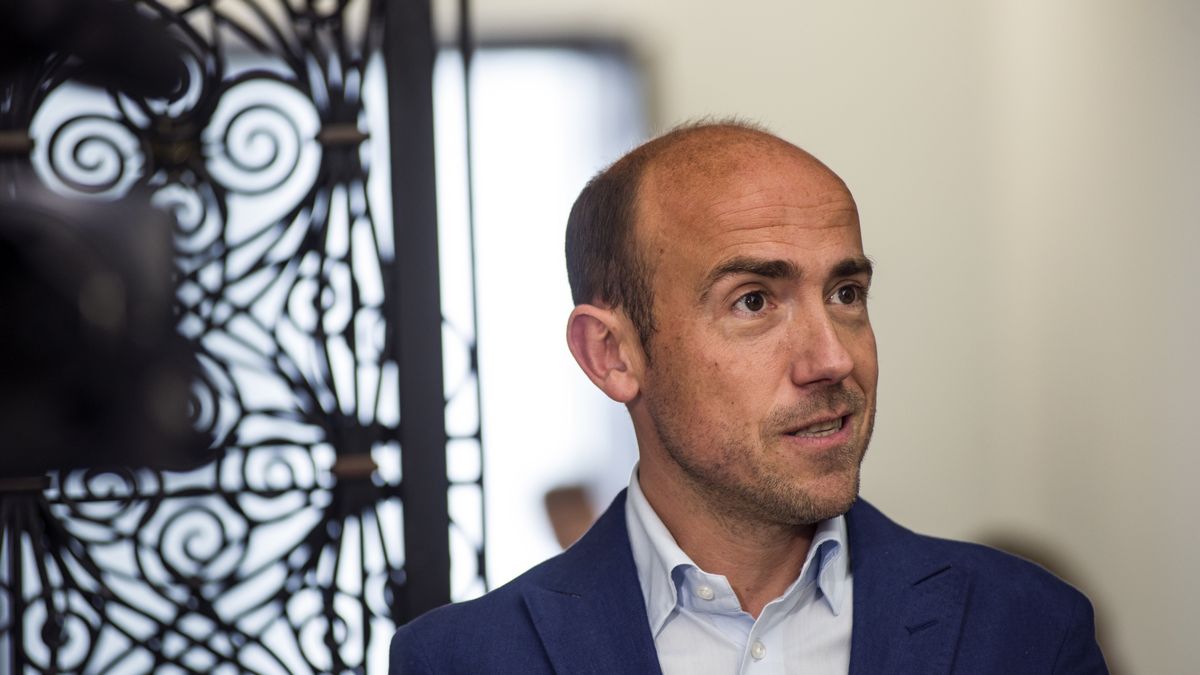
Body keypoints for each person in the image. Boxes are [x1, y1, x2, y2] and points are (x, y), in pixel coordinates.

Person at [389, 121, 1109, 674]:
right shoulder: (467, 658)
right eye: (755, 301)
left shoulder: (1025, 630)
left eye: (846, 293)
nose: (833, 358)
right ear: (612, 355)